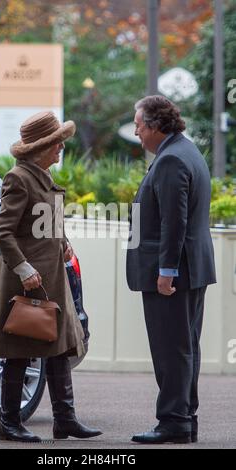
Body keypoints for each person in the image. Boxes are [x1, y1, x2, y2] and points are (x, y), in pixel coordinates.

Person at [0, 111, 102, 442]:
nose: (61, 147)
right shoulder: (18, 178)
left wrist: (62, 241)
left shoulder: (41, 177)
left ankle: (65, 420)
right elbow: (3, 232)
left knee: (60, 347)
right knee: (20, 349)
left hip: (50, 278)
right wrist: (24, 268)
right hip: (28, 280)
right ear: (42, 147)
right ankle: (9, 423)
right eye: (56, 142)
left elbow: (40, 222)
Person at [126, 95, 216, 444]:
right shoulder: (186, 151)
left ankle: (174, 422)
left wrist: (166, 272)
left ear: (153, 125)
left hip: (175, 274)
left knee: (171, 350)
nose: (136, 133)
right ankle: (183, 419)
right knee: (184, 346)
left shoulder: (171, 159)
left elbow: (173, 222)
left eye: (138, 126)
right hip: (192, 268)